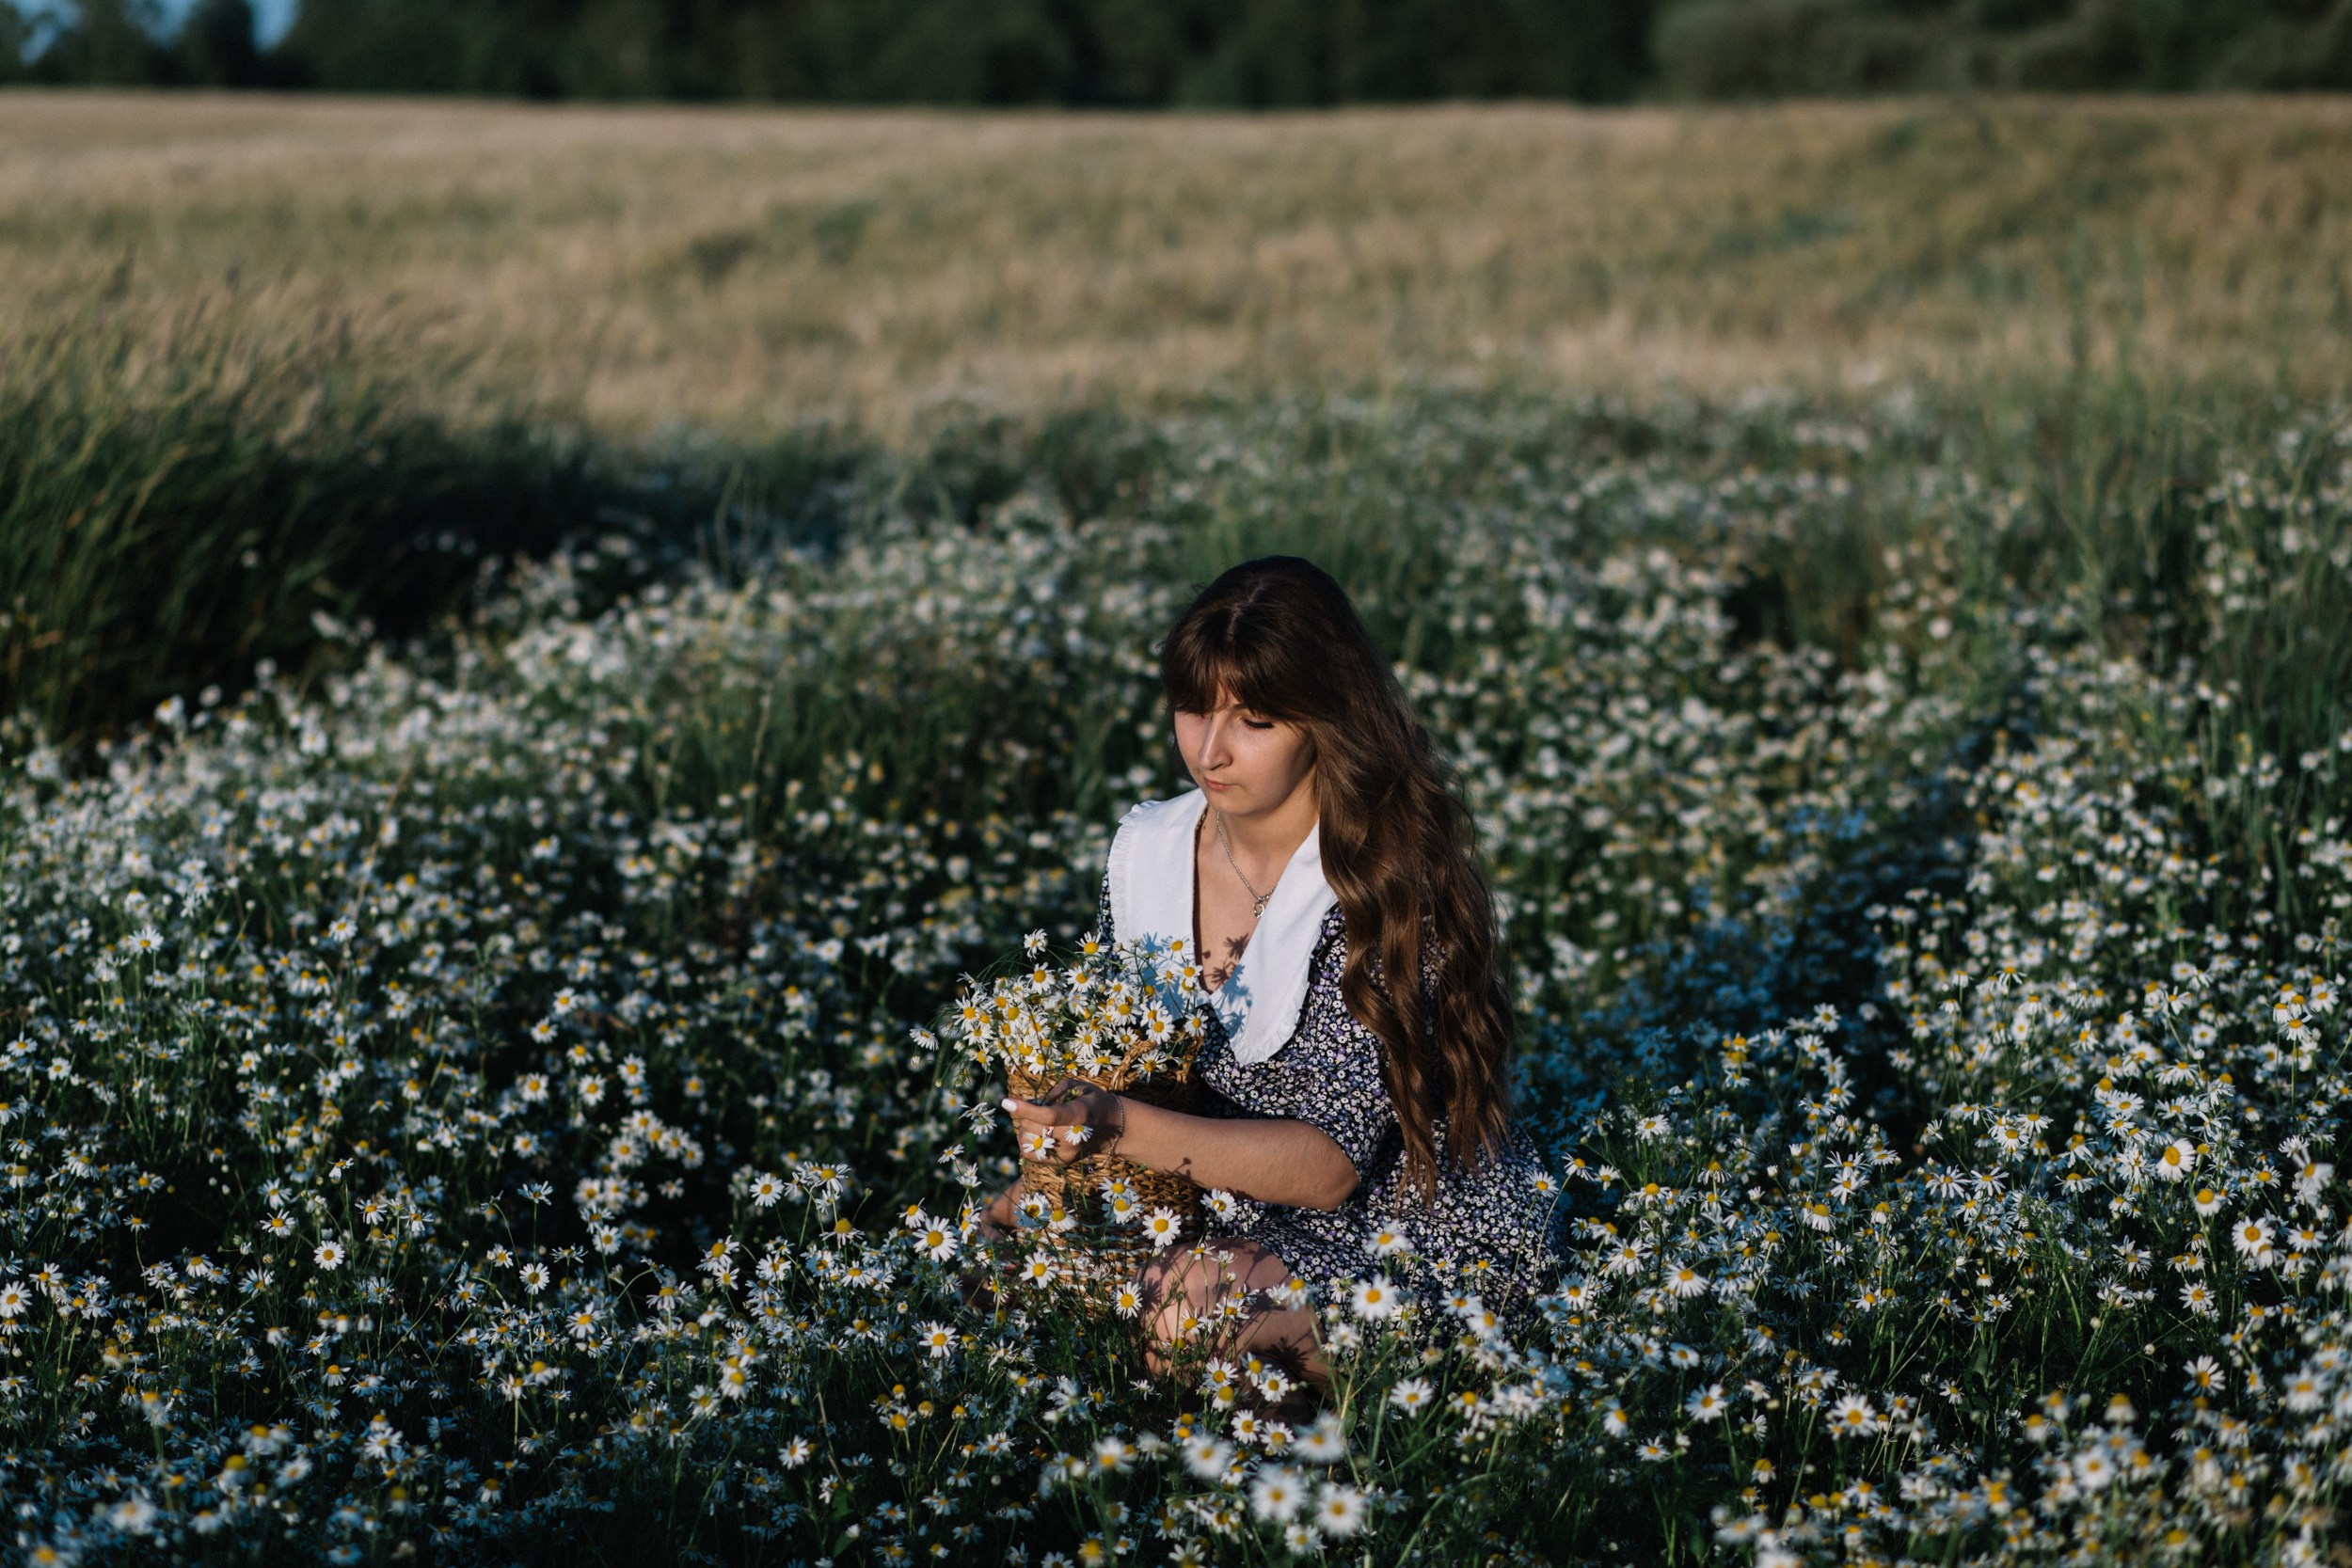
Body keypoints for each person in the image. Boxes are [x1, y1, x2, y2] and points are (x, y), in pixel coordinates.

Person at [987, 556, 1559, 1410]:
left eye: (1253, 720)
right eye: (1192, 708)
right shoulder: (1148, 851)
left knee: (1184, 1319)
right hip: (1212, 1197)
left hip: (1398, 1221)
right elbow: (1124, 1060)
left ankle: (1361, 1447)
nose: (1210, 751)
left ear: (1325, 721)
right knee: (994, 1260)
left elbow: (1329, 1170)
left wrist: (1109, 1125)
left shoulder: (1377, 882)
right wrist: (1054, 1185)